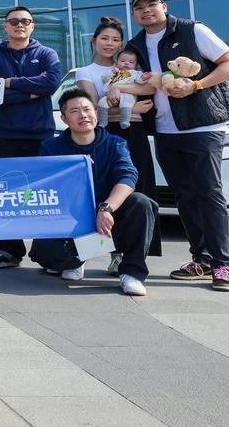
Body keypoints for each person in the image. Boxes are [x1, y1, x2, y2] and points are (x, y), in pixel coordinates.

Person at [127, 0, 229, 292]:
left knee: (209, 193)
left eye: (152, 5)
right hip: (165, 131)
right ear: (134, 15)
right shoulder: (135, 45)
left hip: (203, 126)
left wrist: (197, 84)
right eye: (139, 8)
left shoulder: (192, 30)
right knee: (185, 197)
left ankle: (222, 264)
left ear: (164, 7)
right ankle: (201, 259)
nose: (146, 11)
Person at [31, 90, 157, 296]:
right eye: (74, 111)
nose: (83, 115)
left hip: (109, 217)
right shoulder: (51, 147)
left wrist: (106, 208)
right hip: (72, 217)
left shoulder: (115, 143)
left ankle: (131, 273)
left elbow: (127, 177)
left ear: (96, 113)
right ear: (64, 118)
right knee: (47, 256)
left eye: (87, 109)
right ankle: (78, 258)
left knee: (141, 203)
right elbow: (46, 187)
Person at [74, 18, 162, 274]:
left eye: (115, 40)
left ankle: (128, 256)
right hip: (103, 135)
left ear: (121, 44)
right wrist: (133, 109)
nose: (109, 44)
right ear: (94, 41)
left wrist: (120, 88)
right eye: (104, 38)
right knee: (100, 192)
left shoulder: (131, 66)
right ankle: (86, 254)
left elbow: (151, 88)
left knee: (137, 191)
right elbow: (91, 108)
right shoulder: (85, 72)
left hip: (134, 135)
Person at [0, 7, 63, 270]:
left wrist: (10, 83)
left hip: (41, 135)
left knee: (44, 195)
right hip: (6, 136)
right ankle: (9, 250)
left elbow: (51, 83)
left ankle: (48, 253)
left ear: (32, 26)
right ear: (5, 26)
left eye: (25, 21)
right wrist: (31, 92)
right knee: (5, 194)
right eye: (14, 21)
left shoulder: (46, 53)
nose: (20, 25)